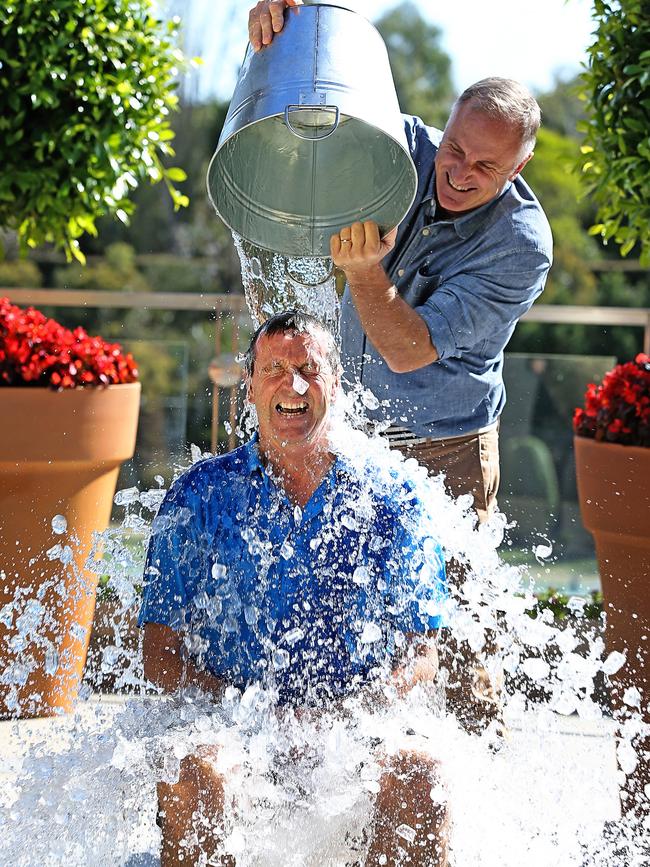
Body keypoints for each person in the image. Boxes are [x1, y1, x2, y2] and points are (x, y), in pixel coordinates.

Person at [140, 311, 449, 866]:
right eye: (276, 369)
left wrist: (350, 713)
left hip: (354, 725)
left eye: (310, 368)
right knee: (200, 768)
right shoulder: (198, 498)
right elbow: (160, 655)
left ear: (335, 382)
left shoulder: (392, 497)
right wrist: (250, 713)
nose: (295, 384)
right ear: (252, 385)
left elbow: (421, 654)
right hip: (233, 720)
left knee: (419, 772)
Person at [248, 0, 553, 525]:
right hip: (348, 433)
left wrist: (365, 271)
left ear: (520, 166)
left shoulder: (519, 245)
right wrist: (286, 29)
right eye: (454, 148)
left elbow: (408, 350)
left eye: (485, 166)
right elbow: (318, 99)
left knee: (448, 606)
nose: (458, 172)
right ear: (448, 124)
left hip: (447, 449)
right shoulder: (402, 147)